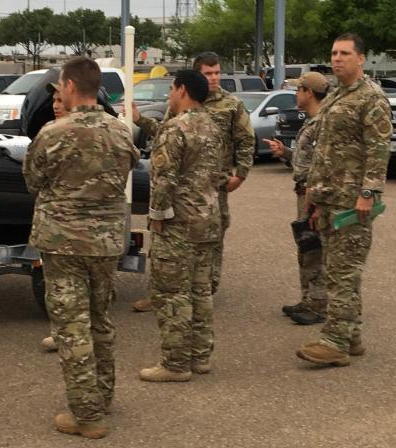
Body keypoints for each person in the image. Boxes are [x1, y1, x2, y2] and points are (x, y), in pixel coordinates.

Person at [23, 56, 140, 439]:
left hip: (63, 242)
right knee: (100, 320)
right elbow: (128, 168)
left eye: (60, 85)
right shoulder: (121, 131)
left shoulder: (54, 133)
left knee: (72, 326)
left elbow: (33, 179)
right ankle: (102, 394)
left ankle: (87, 415)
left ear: (70, 86)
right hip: (106, 241)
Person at [130, 51, 255, 313]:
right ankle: (164, 292)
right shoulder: (179, 111)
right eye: (208, 73)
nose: (214, 78)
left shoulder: (230, 104)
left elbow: (245, 140)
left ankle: (204, 289)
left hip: (212, 185)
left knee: (209, 237)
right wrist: (140, 120)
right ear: (198, 75)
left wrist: (240, 174)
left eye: (217, 72)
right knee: (171, 243)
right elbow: (165, 132)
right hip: (183, 184)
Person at [297, 33, 391, 367]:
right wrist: (313, 193)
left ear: (361, 58)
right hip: (328, 198)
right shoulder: (336, 95)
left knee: (343, 272)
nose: (338, 58)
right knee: (340, 271)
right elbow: (325, 149)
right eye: (335, 53)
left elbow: (378, 150)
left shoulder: (371, 97)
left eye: (345, 53)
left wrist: (368, 193)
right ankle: (351, 337)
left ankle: (334, 342)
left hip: (352, 202)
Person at [138, 70, 224, 382]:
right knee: (200, 291)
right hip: (207, 221)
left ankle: (175, 364)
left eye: (171, 89)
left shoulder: (175, 128)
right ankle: (200, 357)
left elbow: (164, 179)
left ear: (182, 90)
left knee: (171, 293)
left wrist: (158, 218)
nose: (169, 95)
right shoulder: (213, 126)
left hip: (178, 225)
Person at [263, 72, 330, 326]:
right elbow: (307, 161)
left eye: (298, 89)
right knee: (307, 246)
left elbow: (324, 167)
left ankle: (319, 304)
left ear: (309, 92)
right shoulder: (313, 121)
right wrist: (286, 153)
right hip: (305, 193)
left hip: (314, 195)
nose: (295, 94)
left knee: (315, 248)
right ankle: (308, 299)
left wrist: (318, 202)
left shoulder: (323, 123)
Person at [40, 81, 66, 354]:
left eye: (60, 99)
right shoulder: (113, 128)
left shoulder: (51, 134)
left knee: (63, 289)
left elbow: (34, 178)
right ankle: (63, 333)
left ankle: (68, 336)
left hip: (62, 229)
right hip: (101, 232)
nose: (55, 105)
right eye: (54, 101)